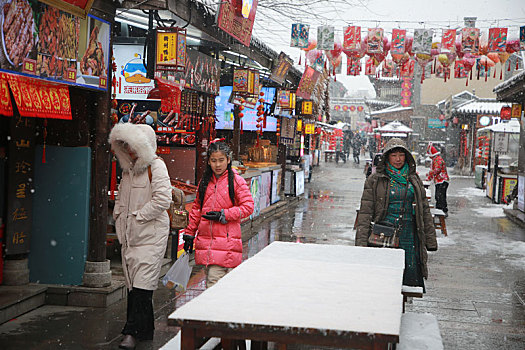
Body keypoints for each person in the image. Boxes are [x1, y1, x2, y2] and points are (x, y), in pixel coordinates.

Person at [109, 123, 173, 350]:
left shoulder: (156, 167)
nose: (130, 151)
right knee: (135, 285)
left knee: (142, 285)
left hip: (150, 235)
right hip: (130, 236)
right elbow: (121, 199)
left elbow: (163, 200)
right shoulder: (128, 170)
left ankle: (131, 332)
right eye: (126, 146)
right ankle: (145, 330)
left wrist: (138, 216)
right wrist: (119, 215)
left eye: (133, 146)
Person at [355, 138, 437, 291]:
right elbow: (366, 212)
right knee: (384, 277)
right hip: (383, 234)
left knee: (407, 279)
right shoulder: (375, 180)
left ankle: (401, 308)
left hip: (409, 234)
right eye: (394, 155)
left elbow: (424, 210)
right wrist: (361, 243)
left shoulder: (413, 180)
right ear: (387, 157)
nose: (398, 159)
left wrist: (430, 241)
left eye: (401, 155)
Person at [183, 141, 254, 289]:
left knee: (215, 288)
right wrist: (189, 233)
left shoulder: (236, 181)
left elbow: (248, 207)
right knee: (217, 287)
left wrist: (224, 214)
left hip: (227, 244)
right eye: (214, 160)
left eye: (221, 160)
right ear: (208, 161)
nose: (217, 165)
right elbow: (197, 209)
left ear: (228, 160)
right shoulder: (204, 182)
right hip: (209, 246)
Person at [426, 143, 450, 217]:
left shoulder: (437, 159)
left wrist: (430, 174)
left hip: (442, 181)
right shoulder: (435, 159)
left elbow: (437, 169)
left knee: (440, 196)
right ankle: (439, 209)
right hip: (439, 181)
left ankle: (443, 210)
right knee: (438, 196)